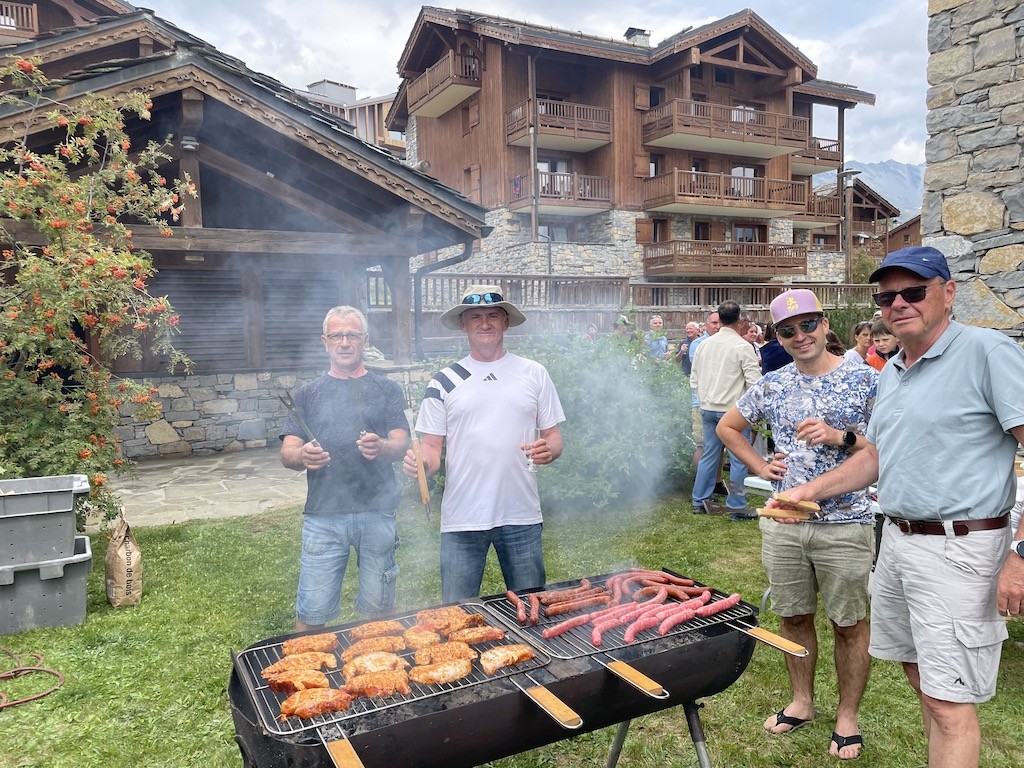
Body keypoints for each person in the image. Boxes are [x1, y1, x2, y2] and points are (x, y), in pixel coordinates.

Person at [782, 246, 1024, 768]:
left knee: (947, 701)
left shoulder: (987, 351)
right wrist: (809, 492)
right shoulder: (893, 370)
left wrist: (1021, 553)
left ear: (948, 292)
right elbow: (875, 458)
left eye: (913, 291)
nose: (899, 303)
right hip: (897, 542)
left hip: (961, 547)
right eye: (887, 296)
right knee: (924, 682)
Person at [717, 289, 878, 760]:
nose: (800, 336)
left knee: (848, 622)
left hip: (846, 522)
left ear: (826, 325)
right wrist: (760, 466)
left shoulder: (866, 379)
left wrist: (839, 436)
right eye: (787, 330)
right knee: (793, 615)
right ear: (777, 337)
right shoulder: (773, 383)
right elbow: (729, 426)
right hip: (783, 522)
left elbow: (886, 448)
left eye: (808, 325)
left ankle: (847, 715)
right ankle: (802, 702)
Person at [404, 285, 566, 603]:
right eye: (475, 317)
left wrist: (550, 449)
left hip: (521, 514)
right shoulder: (444, 380)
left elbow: (554, 437)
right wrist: (422, 463)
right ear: (464, 325)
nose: (485, 323)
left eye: (493, 315)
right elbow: (432, 448)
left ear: (506, 322)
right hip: (462, 515)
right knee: (456, 614)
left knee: (531, 607)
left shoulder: (534, 373)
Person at [280, 306, 409, 630]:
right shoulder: (308, 394)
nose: (345, 342)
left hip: (377, 511)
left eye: (352, 334)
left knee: (380, 613)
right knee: (311, 614)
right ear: (325, 342)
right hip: (323, 515)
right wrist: (302, 455)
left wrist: (382, 448)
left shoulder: (386, 389)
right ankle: (303, 675)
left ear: (364, 340)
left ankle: (380, 674)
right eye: (337, 335)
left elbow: (401, 442)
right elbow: (287, 451)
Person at [689, 300, 760, 520]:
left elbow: (694, 379)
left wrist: (705, 399)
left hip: (708, 407)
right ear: (739, 321)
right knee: (739, 458)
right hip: (733, 411)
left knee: (710, 454)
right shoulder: (742, 346)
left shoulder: (704, 345)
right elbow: (754, 382)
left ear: (718, 319)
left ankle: (699, 500)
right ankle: (737, 507)